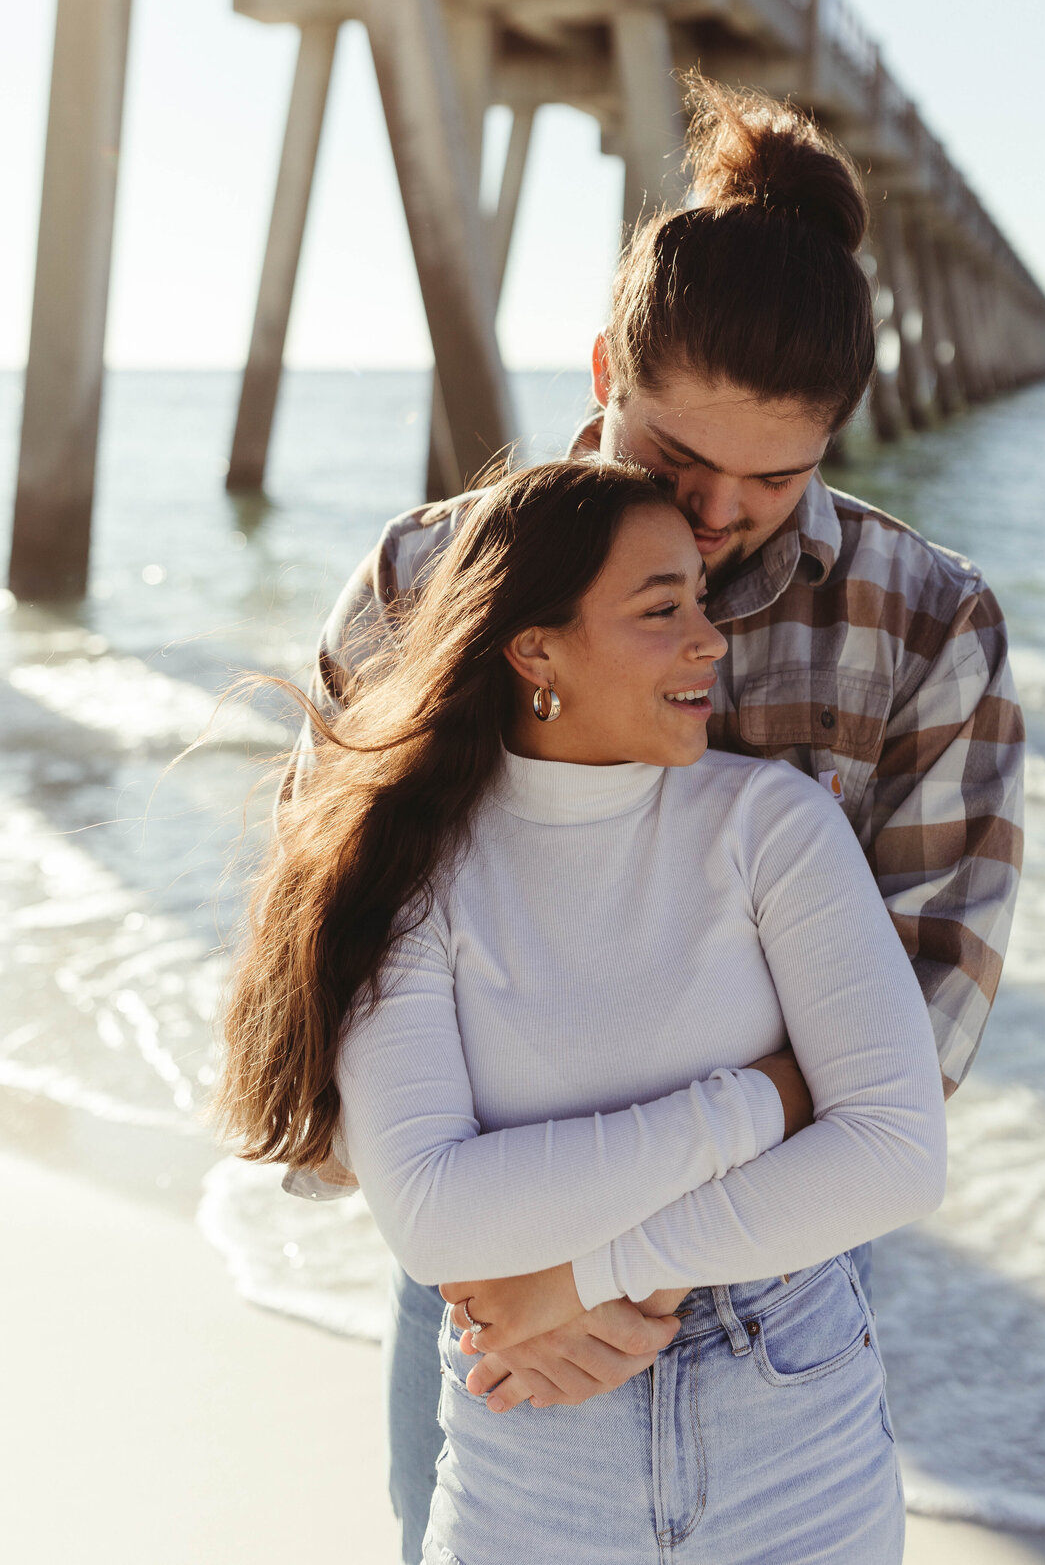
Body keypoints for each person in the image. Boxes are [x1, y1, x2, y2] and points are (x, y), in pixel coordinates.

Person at [278, 78, 1023, 1557]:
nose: (719, 512)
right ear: (607, 364)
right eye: (678, 460)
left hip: (768, 1276)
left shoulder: (928, 621)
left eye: (775, 475)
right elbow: (330, 942)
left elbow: (918, 1021)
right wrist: (518, 1276)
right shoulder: (429, 582)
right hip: (479, 1285)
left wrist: (621, 1266)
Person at [219, 457, 947, 1563]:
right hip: (533, 1441)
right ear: (535, 647)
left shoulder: (773, 826)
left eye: (701, 605)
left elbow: (897, 1155)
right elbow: (433, 1214)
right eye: (663, 611)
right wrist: (762, 1105)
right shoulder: (409, 868)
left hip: (789, 1426)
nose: (710, 642)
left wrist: (574, 1276)